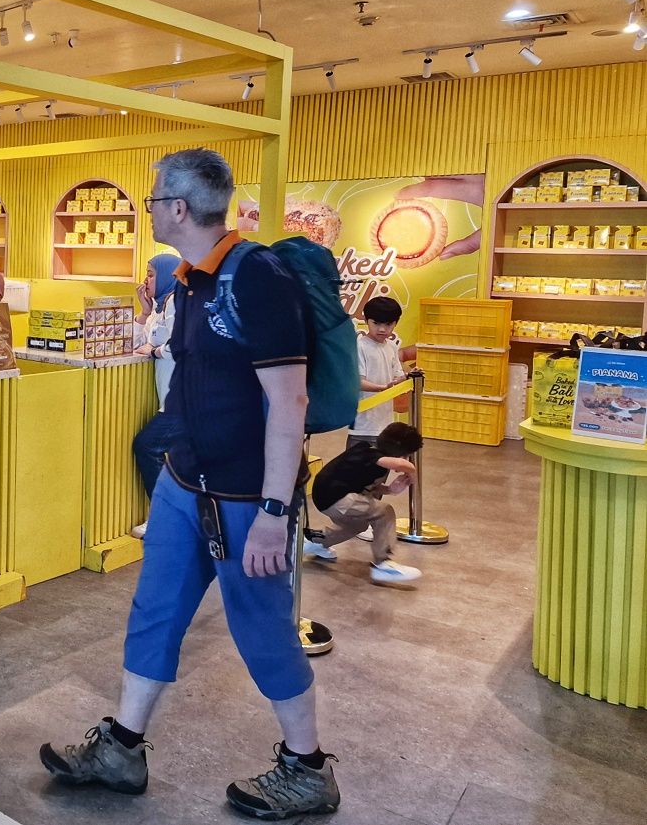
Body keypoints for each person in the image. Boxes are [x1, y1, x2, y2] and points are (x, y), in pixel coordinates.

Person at [40, 149, 339, 820]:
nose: (148, 208)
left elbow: (289, 401)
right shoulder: (191, 278)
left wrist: (274, 511)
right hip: (184, 481)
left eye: (152, 199)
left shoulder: (257, 276)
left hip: (246, 496)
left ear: (178, 207)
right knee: (155, 611)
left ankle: (309, 768)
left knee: (262, 627)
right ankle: (121, 749)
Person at [303, 422, 424, 585]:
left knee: (358, 525)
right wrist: (412, 471)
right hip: (334, 497)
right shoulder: (368, 453)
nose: (406, 459)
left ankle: (316, 542)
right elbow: (400, 465)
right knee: (384, 511)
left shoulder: (371, 459)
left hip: (330, 497)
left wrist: (390, 490)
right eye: (406, 455)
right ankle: (383, 563)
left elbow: (365, 486)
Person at [129, 253, 181, 539]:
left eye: (151, 274)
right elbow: (135, 344)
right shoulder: (160, 306)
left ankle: (164, 520)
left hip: (184, 399)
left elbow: (182, 344)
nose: (146, 280)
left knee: (147, 446)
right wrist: (144, 313)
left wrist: (155, 351)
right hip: (172, 399)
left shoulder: (177, 302)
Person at [353, 296, 409, 445]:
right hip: (362, 425)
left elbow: (397, 378)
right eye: (376, 323)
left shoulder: (391, 347)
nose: (382, 329)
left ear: (396, 323)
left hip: (385, 424)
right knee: (359, 460)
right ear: (366, 321)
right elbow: (357, 382)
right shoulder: (359, 346)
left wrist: (410, 376)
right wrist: (383, 388)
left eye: (388, 324)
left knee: (384, 460)